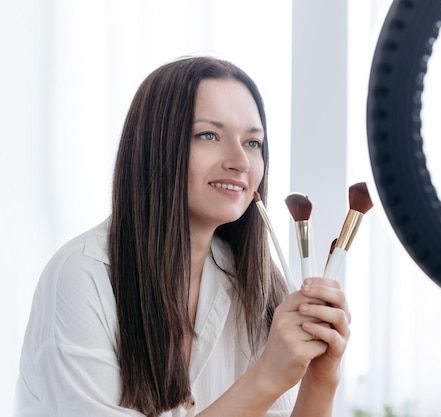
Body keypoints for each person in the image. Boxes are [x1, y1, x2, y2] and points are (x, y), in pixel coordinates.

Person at [14, 56, 351, 417]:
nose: (239, 160)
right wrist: (267, 377)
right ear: (156, 146)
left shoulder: (255, 283)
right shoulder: (81, 277)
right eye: (209, 135)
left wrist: (322, 376)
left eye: (253, 143)